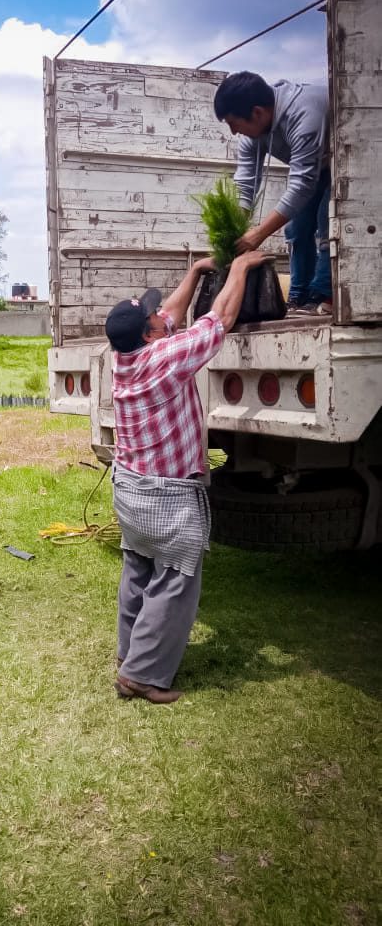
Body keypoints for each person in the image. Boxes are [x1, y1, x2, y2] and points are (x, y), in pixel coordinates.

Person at [106, 250, 273, 703]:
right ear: (149, 334)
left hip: (129, 489)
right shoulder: (165, 359)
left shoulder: (123, 358)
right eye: (153, 318)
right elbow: (221, 318)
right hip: (165, 495)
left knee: (139, 568)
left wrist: (195, 273)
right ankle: (141, 676)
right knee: (176, 578)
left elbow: (170, 316)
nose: (163, 316)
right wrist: (238, 269)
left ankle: (129, 654)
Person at [213, 71, 332, 315]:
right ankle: (299, 297)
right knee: (296, 230)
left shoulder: (304, 113)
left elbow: (301, 186)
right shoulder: (252, 135)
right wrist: (236, 228)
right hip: (315, 166)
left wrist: (258, 234)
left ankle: (326, 295)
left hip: (349, 160)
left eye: (234, 123)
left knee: (327, 221)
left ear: (257, 112)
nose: (234, 132)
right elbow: (246, 184)